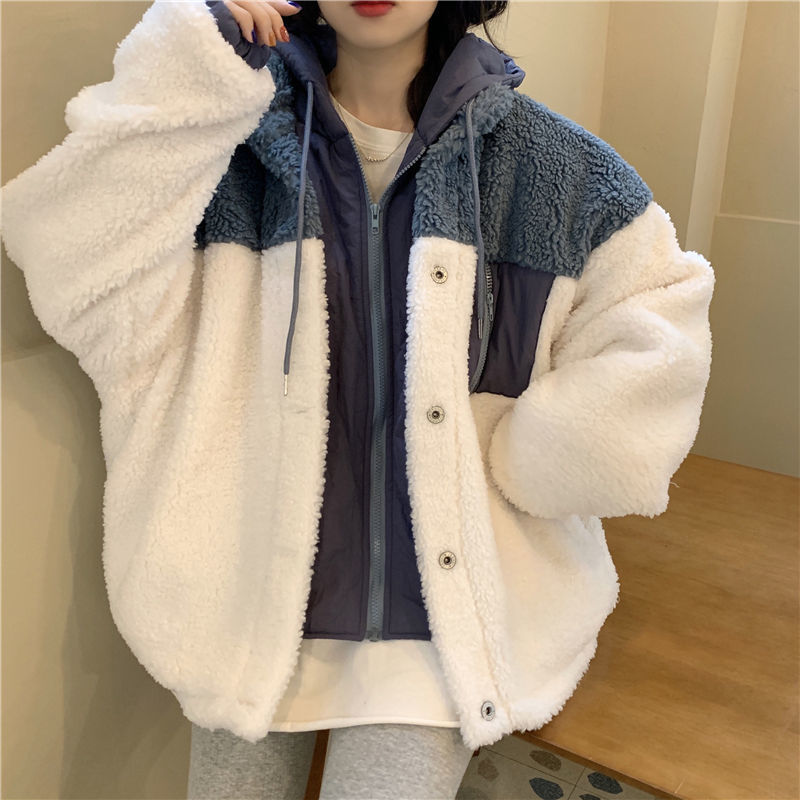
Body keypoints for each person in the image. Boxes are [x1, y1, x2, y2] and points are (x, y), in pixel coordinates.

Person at [0, 0, 715, 798]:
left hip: (441, 632)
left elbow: (661, 323)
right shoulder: (225, 146)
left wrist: (541, 454)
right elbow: (73, 267)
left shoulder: (549, 167)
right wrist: (193, 66)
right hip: (245, 607)